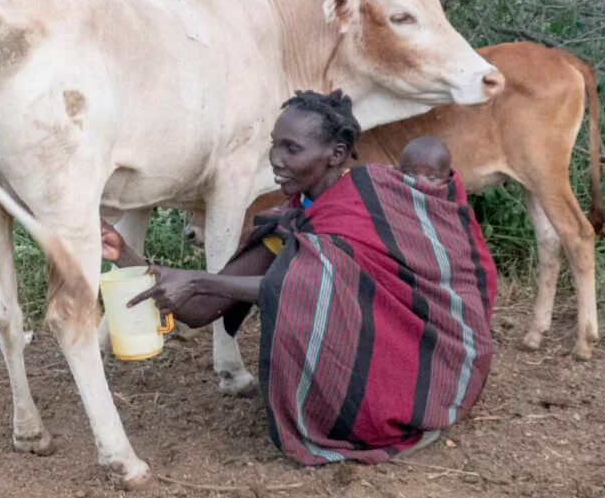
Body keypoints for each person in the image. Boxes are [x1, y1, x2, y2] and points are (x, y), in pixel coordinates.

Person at [100, 90, 497, 465]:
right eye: (274, 144)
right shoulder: (294, 220)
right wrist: (124, 254)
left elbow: (308, 284)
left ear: (336, 154)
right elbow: (203, 308)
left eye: (292, 148)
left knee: (319, 275)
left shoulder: (369, 201)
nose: (276, 158)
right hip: (358, 378)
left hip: (423, 370)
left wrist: (200, 280)